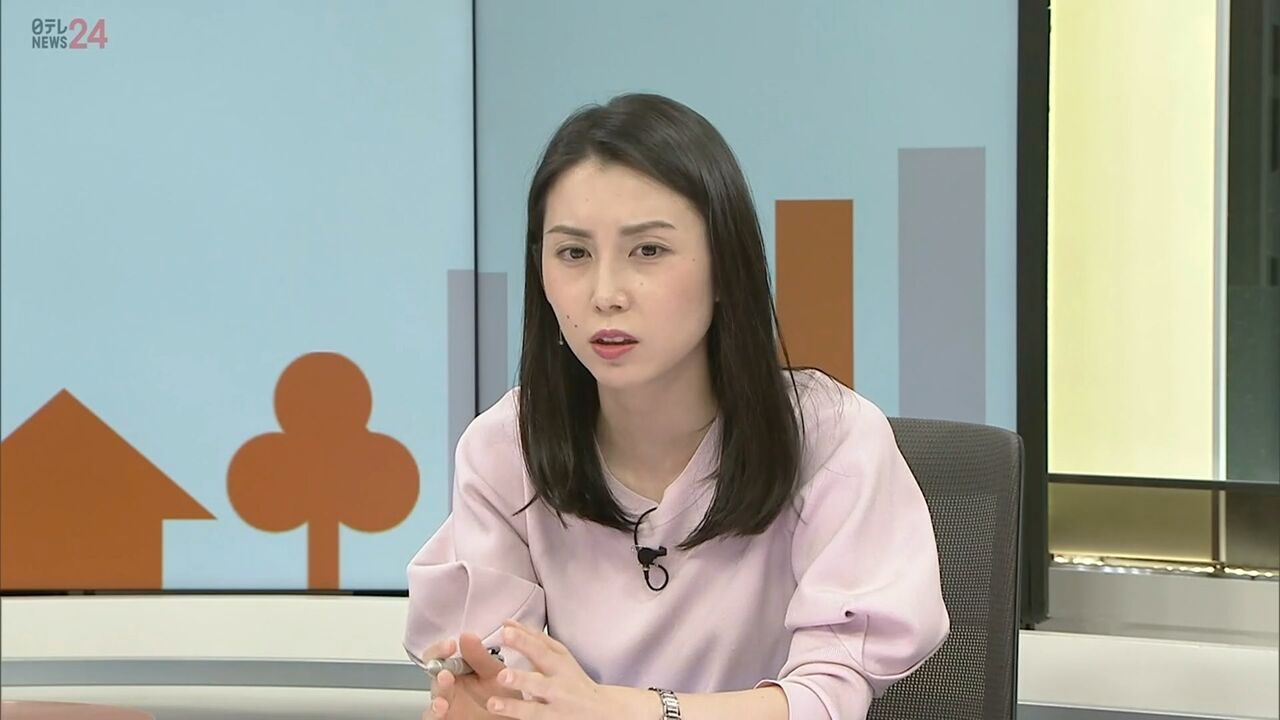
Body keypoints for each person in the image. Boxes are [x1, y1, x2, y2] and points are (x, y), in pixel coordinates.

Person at [404, 92, 948, 720]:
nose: (606, 294)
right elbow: (509, 678)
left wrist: (634, 712)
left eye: (648, 251)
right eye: (574, 253)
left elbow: (826, 699)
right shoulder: (506, 448)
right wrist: (491, 704)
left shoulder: (830, 438)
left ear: (724, 267)